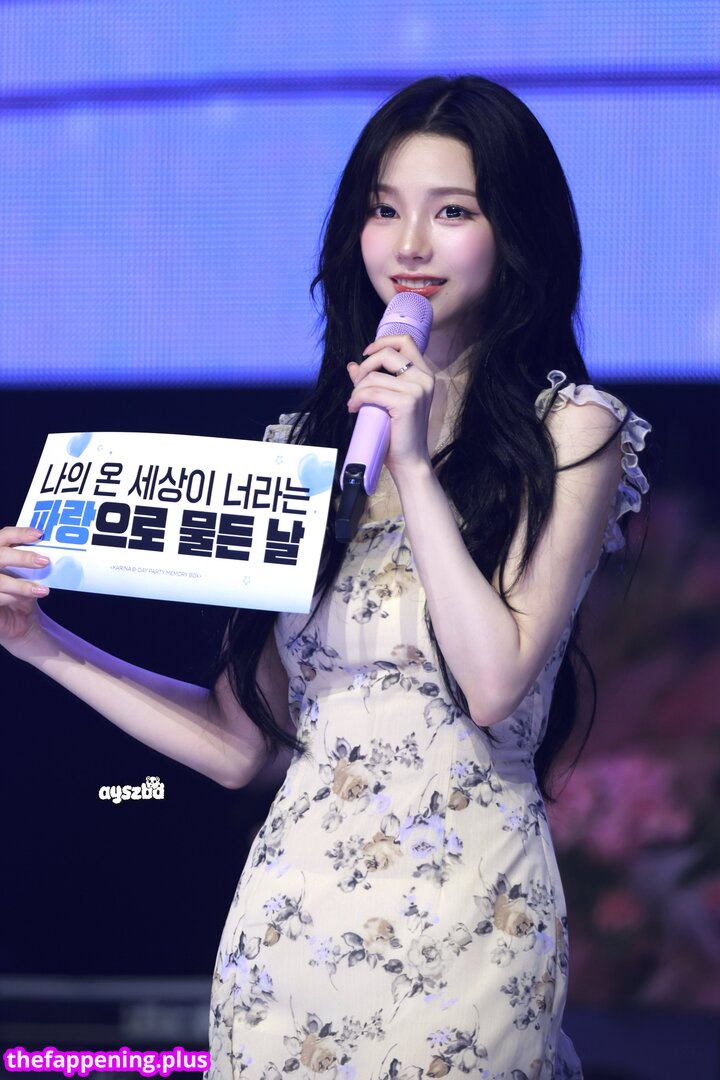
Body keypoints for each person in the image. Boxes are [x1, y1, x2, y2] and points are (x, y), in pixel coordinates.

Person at [0, 75, 650, 1079]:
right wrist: (38, 642)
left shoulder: (573, 432)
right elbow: (236, 745)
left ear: (516, 233)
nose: (410, 245)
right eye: (385, 210)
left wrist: (415, 465)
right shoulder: (304, 453)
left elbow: (492, 682)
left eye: (453, 212)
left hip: (468, 921)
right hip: (290, 925)